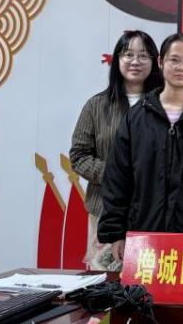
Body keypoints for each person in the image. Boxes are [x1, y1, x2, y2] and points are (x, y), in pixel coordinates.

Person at [97, 32, 183, 263]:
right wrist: (116, 233)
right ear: (161, 62)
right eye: (174, 60)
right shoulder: (137, 117)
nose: (181, 67)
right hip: (145, 236)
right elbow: (118, 179)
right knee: (145, 288)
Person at [69, 30, 162, 270]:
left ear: (155, 61)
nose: (135, 61)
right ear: (117, 59)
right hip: (106, 211)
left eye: (143, 55)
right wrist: (115, 175)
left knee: (149, 280)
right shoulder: (97, 105)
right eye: (128, 54)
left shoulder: (163, 106)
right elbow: (78, 156)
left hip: (153, 213)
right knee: (105, 281)